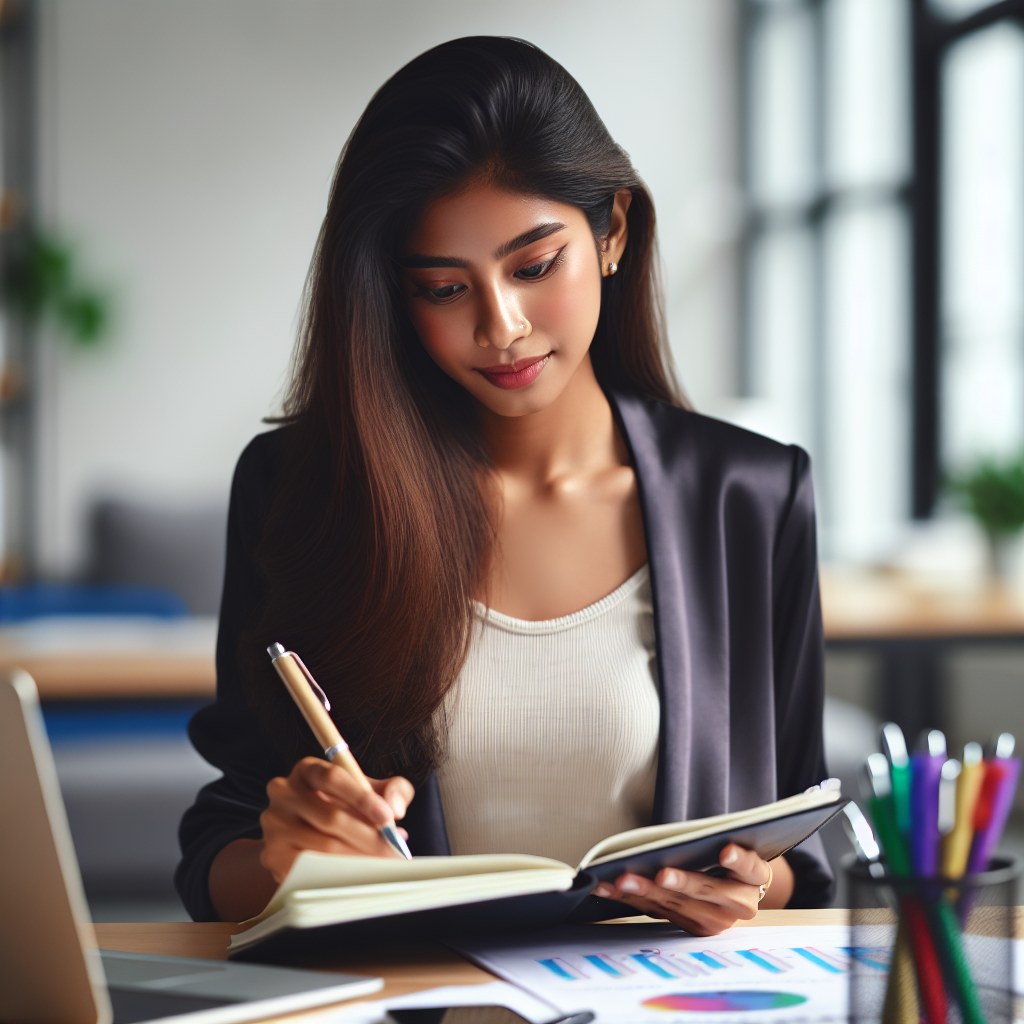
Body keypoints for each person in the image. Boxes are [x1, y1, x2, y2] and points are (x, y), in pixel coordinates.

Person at [176, 36, 833, 933]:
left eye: (533, 266)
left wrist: (749, 886)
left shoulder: (752, 497)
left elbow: (805, 852)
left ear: (613, 233)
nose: (502, 327)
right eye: (445, 289)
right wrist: (293, 863)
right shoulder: (301, 489)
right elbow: (219, 849)